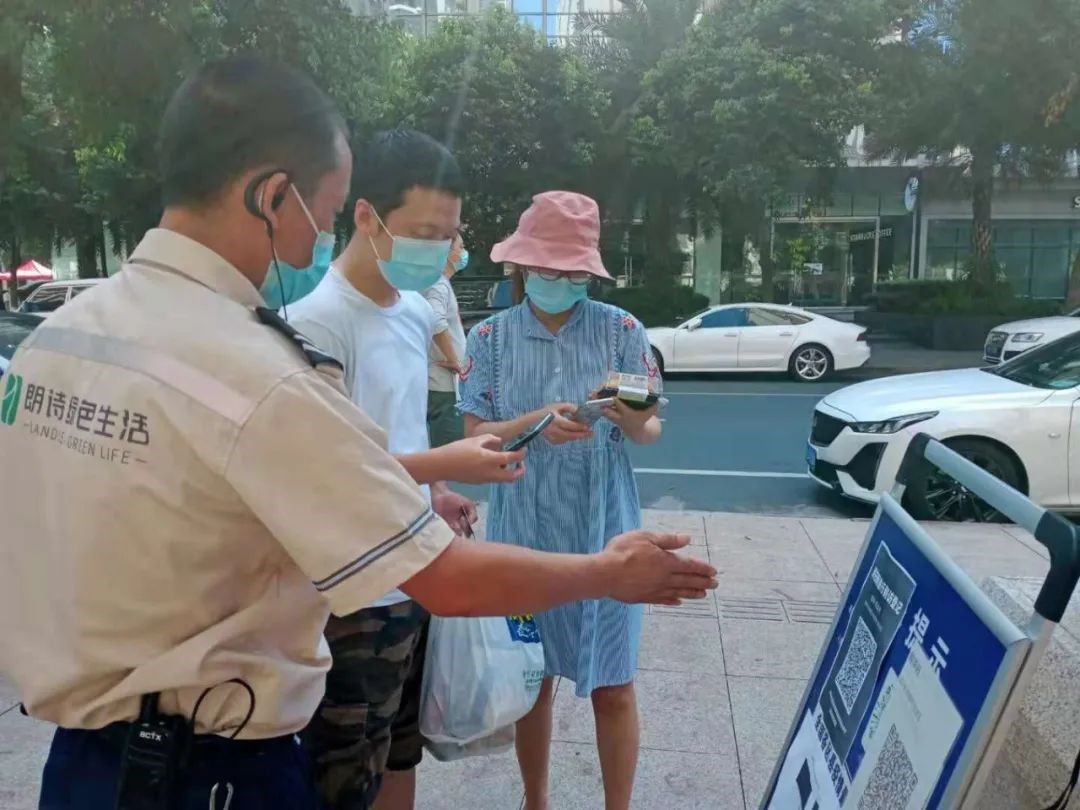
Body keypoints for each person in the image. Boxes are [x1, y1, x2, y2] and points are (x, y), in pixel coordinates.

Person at [0, 57, 715, 809]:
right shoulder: (259, 373)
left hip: (78, 761)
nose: (322, 238)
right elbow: (444, 577)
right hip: (208, 768)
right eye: (327, 211)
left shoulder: (56, 340)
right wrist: (608, 572)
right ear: (272, 195)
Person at [288, 129, 477, 810]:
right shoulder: (315, 322)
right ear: (366, 216)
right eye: (424, 233)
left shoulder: (415, 311)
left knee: (400, 749)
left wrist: (438, 489)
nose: (438, 249)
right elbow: (328, 468)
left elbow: (403, 424)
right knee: (344, 775)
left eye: (449, 235)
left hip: (414, 572)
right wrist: (444, 461)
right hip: (352, 593)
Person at [460, 191, 664, 810]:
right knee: (533, 680)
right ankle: (536, 800)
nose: (561, 282)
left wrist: (627, 415)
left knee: (614, 684)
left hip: (604, 526)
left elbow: (650, 430)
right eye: (549, 269)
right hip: (523, 530)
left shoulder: (621, 331)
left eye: (574, 272)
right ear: (520, 265)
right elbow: (475, 436)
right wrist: (536, 422)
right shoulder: (489, 338)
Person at [423, 233, 469, 448]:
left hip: (442, 383)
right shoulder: (438, 284)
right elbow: (435, 319)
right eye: (460, 247)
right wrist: (453, 359)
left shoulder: (436, 283)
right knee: (450, 450)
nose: (463, 252)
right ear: (447, 253)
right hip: (444, 385)